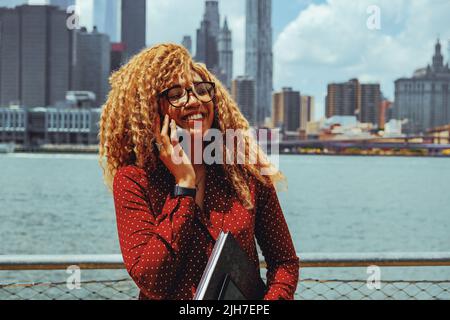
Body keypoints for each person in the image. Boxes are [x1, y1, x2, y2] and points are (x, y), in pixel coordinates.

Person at [98, 43, 299, 300]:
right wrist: (184, 184)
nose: (194, 101)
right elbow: (152, 280)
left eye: (201, 91)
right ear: (151, 109)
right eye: (177, 94)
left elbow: (284, 262)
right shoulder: (134, 180)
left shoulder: (246, 171)